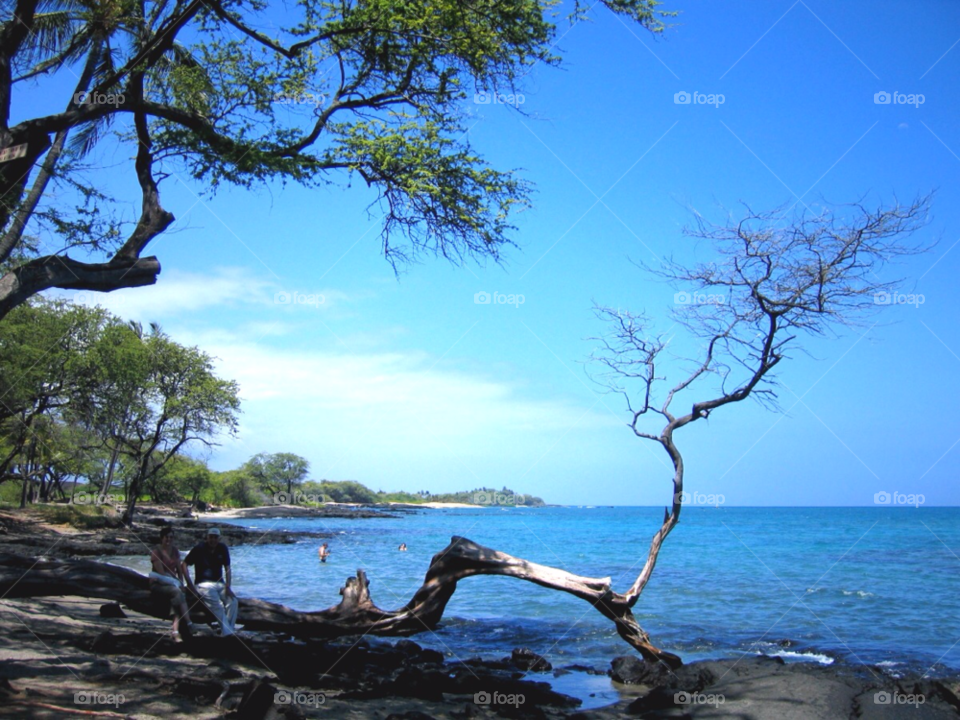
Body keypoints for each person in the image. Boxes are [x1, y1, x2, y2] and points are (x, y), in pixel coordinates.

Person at [183, 528, 238, 636]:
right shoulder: (199, 548)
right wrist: (189, 583)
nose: (213, 540)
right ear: (207, 537)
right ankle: (228, 634)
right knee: (218, 605)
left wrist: (228, 586)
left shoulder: (223, 548)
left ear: (219, 538)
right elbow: (184, 564)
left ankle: (227, 631)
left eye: (215, 537)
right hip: (203, 584)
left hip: (220, 583)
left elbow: (227, 568)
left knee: (233, 601)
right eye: (211, 537)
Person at [149, 526, 191, 641]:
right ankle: (188, 622)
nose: (169, 540)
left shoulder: (175, 551)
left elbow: (179, 568)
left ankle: (176, 631)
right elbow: (162, 574)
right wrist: (176, 583)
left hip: (173, 584)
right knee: (176, 592)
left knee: (177, 595)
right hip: (159, 584)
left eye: (171, 537)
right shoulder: (156, 552)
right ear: (162, 538)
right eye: (166, 537)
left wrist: (181, 583)